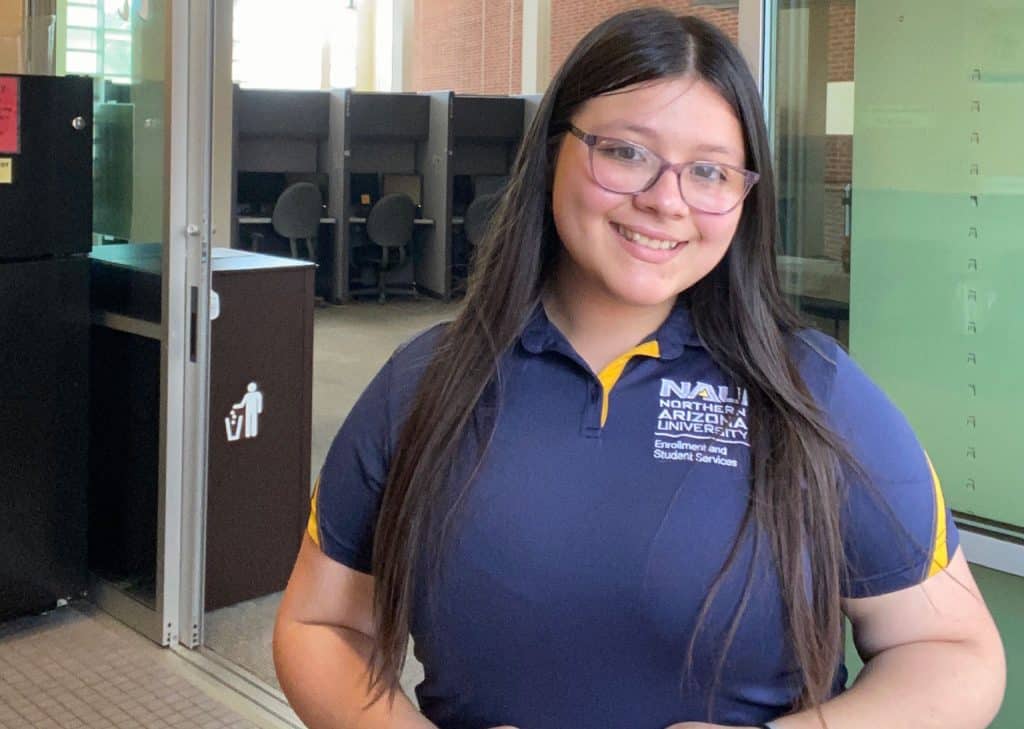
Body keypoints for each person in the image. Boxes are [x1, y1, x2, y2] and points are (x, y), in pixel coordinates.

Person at [274, 9, 1005, 729]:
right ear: (552, 150)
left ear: (744, 196)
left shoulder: (812, 391)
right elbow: (319, 625)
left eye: (710, 171)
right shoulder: (425, 382)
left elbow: (952, 650)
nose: (665, 200)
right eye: (626, 152)